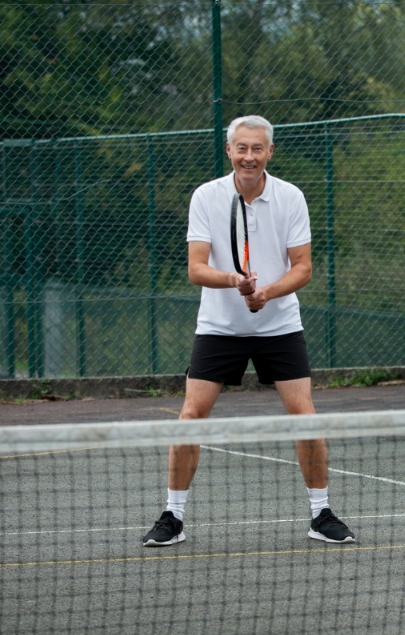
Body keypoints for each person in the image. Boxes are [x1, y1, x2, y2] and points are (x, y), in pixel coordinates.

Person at [142, 115, 355, 547]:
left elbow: (304, 268)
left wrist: (268, 293)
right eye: (242, 148)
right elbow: (196, 267)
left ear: (269, 152)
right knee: (190, 417)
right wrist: (235, 283)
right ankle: (173, 516)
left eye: (257, 148)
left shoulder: (291, 198)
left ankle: (320, 514)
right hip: (220, 326)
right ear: (229, 151)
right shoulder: (206, 197)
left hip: (279, 324)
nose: (249, 156)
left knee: (305, 416)